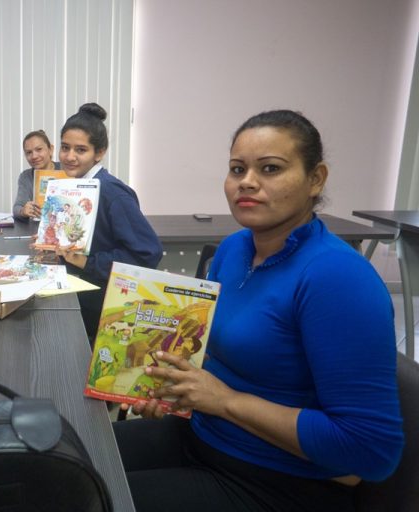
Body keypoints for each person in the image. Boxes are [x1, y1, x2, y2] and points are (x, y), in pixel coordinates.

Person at [114, 110, 404, 512]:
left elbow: (370, 451)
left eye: (270, 168)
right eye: (238, 169)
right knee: (66, 465)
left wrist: (224, 400)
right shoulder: (234, 248)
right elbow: (220, 357)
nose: (247, 181)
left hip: (276, 484)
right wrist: (176, 387)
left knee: (87, 496)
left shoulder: (337, 278)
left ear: (315, 179)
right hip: (202, 434)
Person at [54, 103, 162, 340]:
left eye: (80, 150)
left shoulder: (112, 193)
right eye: (65, 147)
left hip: (102, 307)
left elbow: (147, 254)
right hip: (78, 291)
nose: (70, 157)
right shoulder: (76, 186)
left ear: (99, 153)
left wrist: (87, 262)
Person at [12, 130, 61, 220]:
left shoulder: (66, 169)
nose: (34, 156)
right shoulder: (26, 176)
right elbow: (17, 208)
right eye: (29, 152)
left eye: (39, 149)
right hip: (37, 228)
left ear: (51, 149)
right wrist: (23, 211)